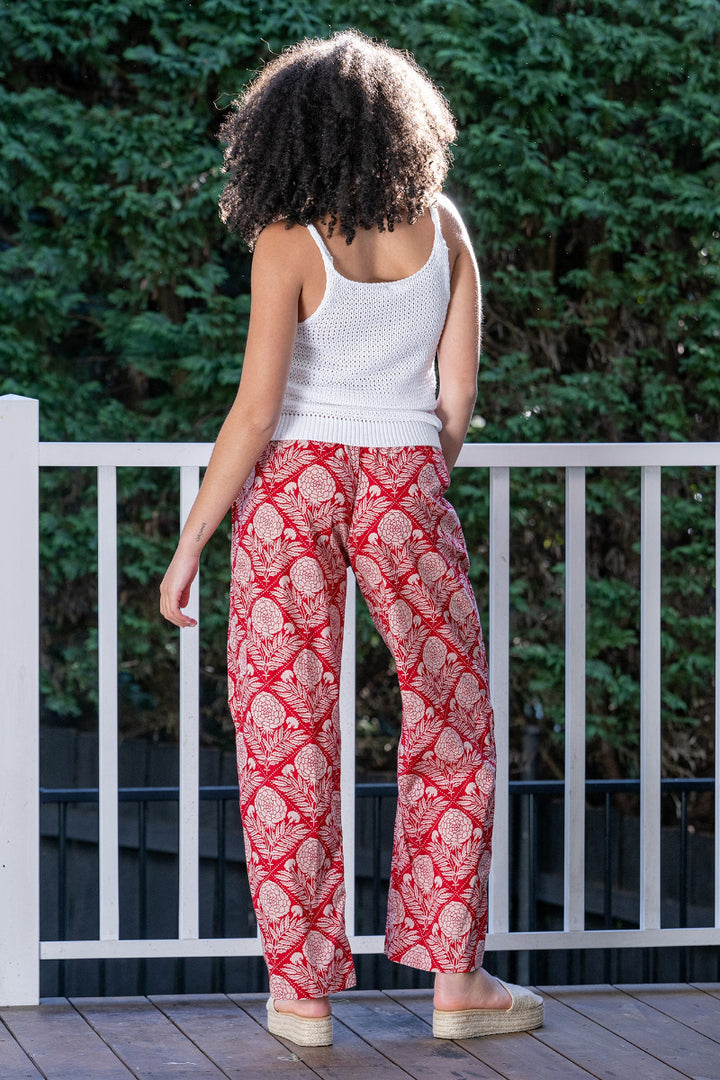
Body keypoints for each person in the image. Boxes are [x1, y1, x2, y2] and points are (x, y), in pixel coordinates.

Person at [160, 29, 542, 1046]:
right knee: (452, 718)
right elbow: (456, 398)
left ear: (285, 134)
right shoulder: (445, 230)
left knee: (287, 731)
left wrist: (193, 540)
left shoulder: (288, 239)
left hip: (294, 482)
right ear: (401, 130)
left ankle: (302, 998)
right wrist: (414, 478)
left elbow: (254, 411)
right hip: (405, 479)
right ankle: (457, 984)